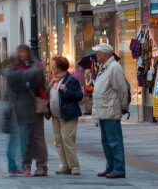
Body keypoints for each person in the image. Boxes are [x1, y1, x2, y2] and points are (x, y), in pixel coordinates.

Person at [2, 44, 47, 176]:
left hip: (36, 105)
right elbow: (11, 82)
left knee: (38, 137)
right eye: (19, 52)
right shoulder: (15, 67)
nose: (21, 55)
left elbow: (38, 80)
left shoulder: (36, 65)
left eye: (24, 52)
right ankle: (26, 165)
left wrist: (24, 76)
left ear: (28, 53)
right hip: (21, 108)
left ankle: (42, 166)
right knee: (25, 137)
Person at [91, 43, 129, 179]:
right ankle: (110, 166)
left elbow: (122, 89)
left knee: (114, 141)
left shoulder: (114, 68)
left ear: (106, 54)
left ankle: (119, 169)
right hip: (103, 110)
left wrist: (124, 106)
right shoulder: (103, 68)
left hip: (111, 109)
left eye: (98, 52)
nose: (96, 55)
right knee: (106, 141)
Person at [48, 55, 83, 176]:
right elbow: (46, 95)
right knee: (58, 141)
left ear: (59, 67)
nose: (52, 67)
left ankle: (74, 166)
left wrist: (66, 91)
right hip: (55, 116)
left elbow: (79, 96)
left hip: (68, 115)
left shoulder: (71, 80)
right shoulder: (54, 80)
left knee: (68, 140)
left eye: (53, 66)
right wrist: (50, 84)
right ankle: (64, 165)